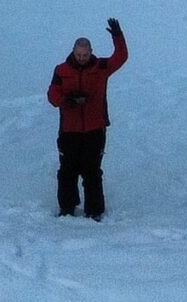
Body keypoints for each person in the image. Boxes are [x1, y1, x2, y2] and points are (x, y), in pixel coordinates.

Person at [47, 18, 128, 219]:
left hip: (95, 129)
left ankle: (94, 211)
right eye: (79, 54)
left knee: (92, 172)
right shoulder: (61, 70)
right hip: (69, 131)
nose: (82, 57)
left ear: (91, 52)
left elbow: (121, 56)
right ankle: (66, 208)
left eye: (85, 54)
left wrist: (117, 36)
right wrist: (67, 100)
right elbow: (52, 95)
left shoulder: (101, 67)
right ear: (73, 52)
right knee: (67, 171)